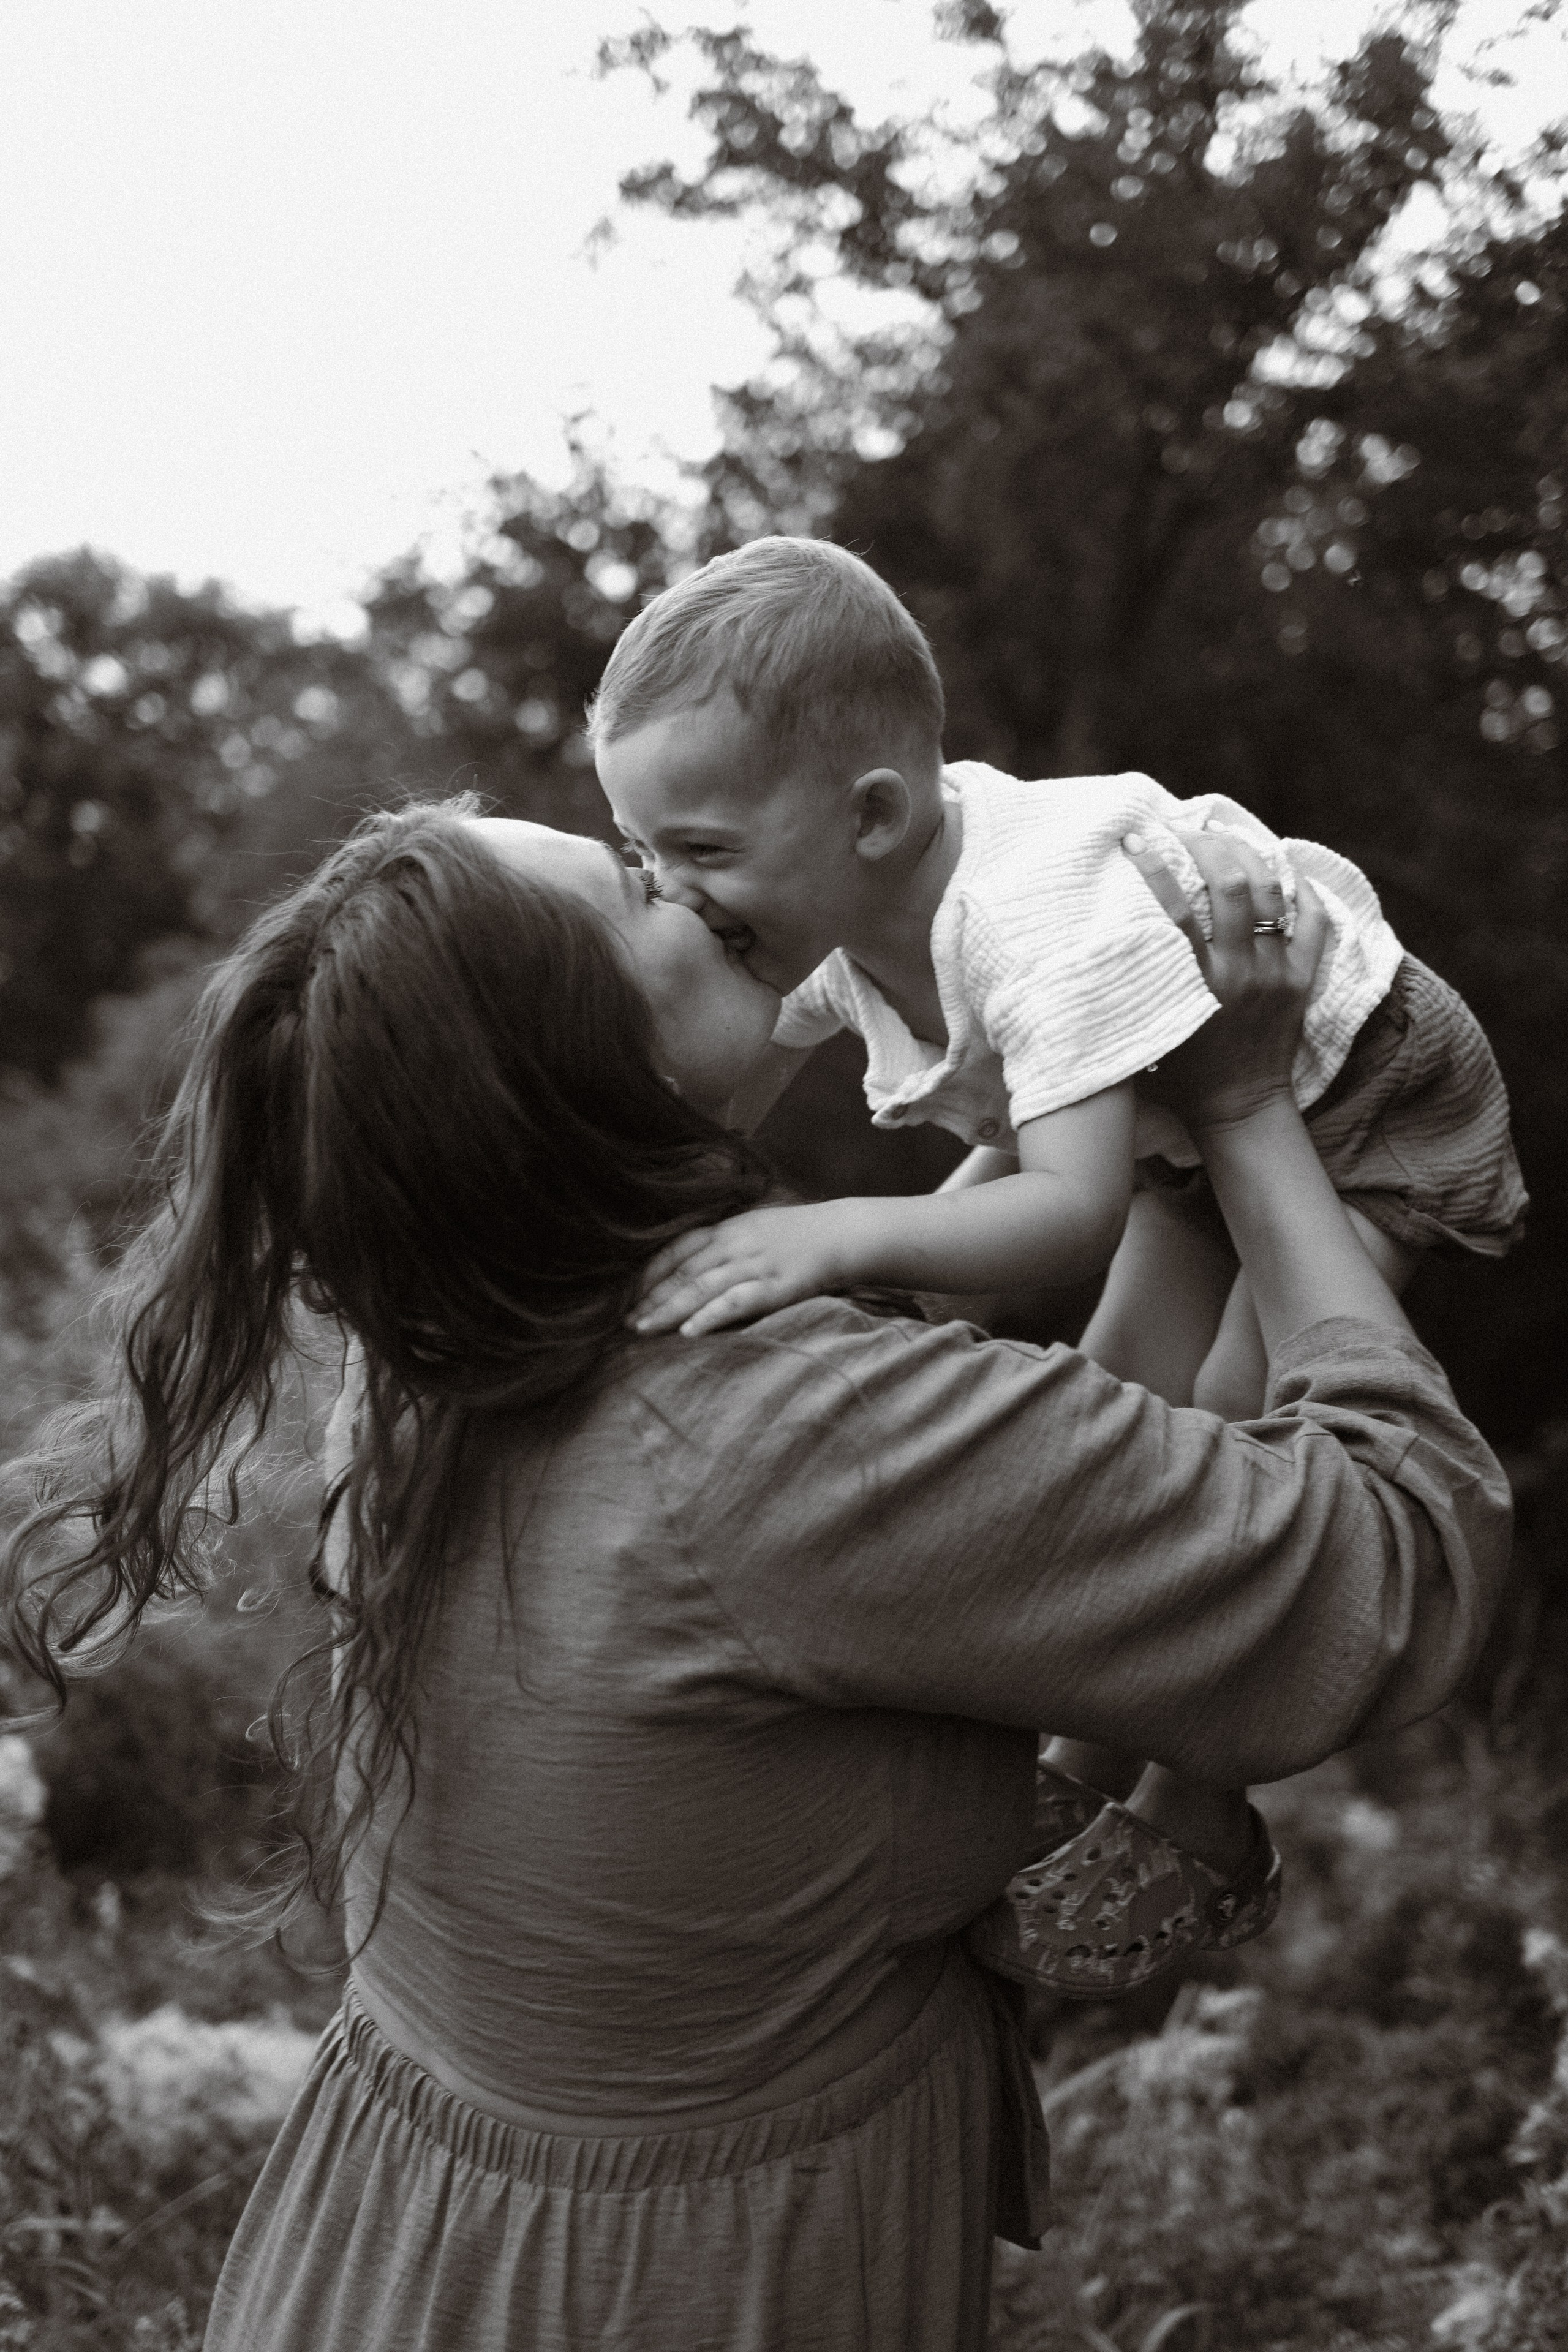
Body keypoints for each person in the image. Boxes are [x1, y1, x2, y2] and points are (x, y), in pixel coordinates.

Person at [2, 799, 1510, 2352]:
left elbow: (1007, 1488)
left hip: (391, 2261)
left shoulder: (442, 1361)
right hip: (681, 2295)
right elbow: (1396, 1560)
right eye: (636, 889)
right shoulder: (781, 1448)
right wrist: (1252, 1109)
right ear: (577, 1075)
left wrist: (1125, 1109)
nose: (677, 874)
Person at [594, 535, 1528, 1992]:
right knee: (1107, 1394)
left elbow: (1066, 1210)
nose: (676, 890)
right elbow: (710, 1099)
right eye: (644, 854)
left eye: (700, 851)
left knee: (1233, 1406)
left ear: (873, 815)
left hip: (1364, 1097)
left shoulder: (1034, 920)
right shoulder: (841, 912)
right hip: (1170, 1123)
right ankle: (1068, 1758)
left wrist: (835, 1236)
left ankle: (1195, 1800)